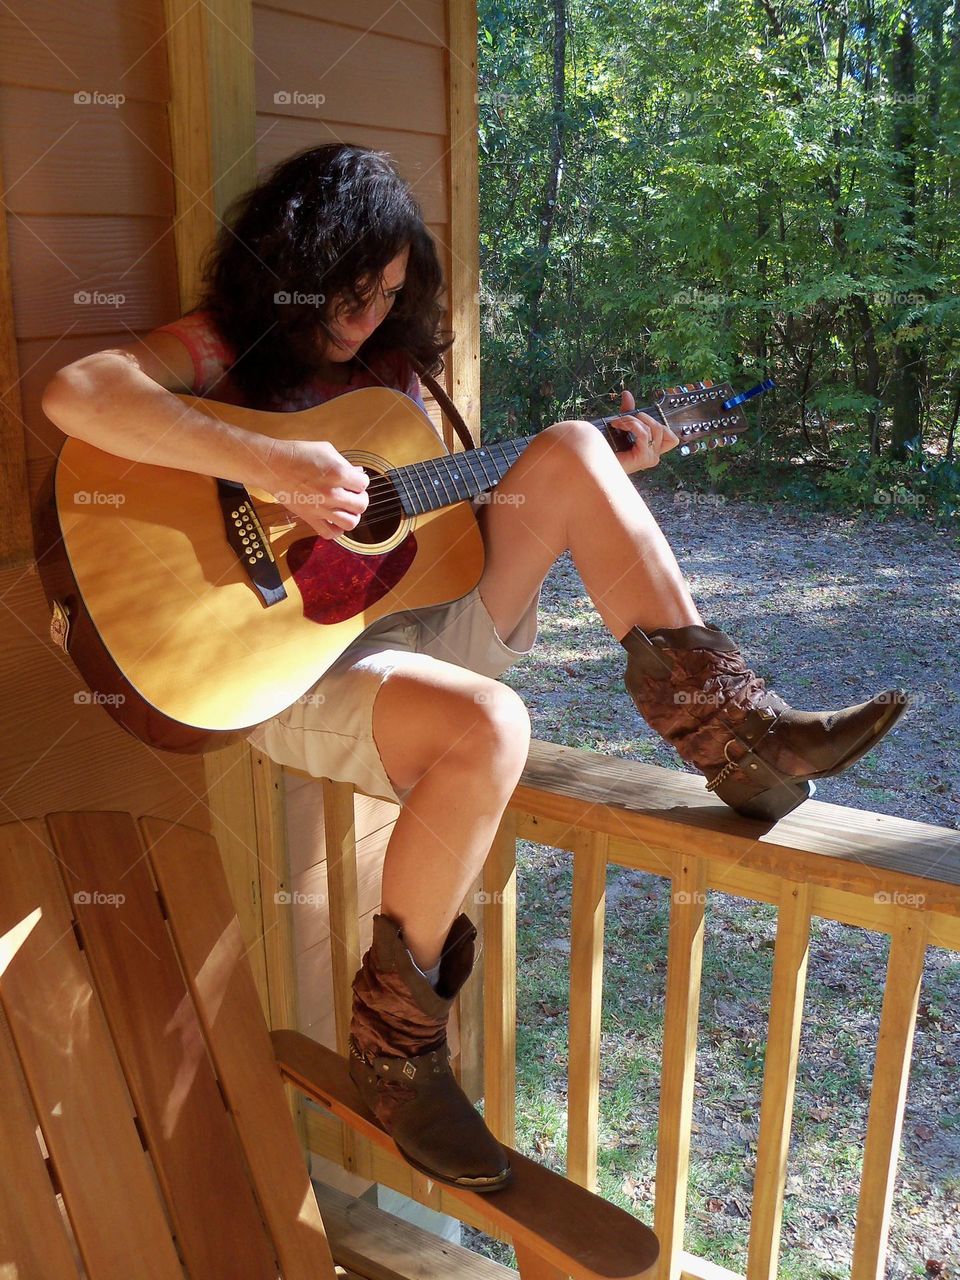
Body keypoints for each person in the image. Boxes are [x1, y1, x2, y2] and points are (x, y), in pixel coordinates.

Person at [41, 143, 907, 1194]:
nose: (366, 319)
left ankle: (744, 735)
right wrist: (274, 464)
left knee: (572, 449)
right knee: (491, 724)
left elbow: (444, 525)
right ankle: (397, 1051)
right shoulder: (226, 340)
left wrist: (598, 465)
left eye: (391, 296)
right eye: (351, 294)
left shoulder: (397, 381)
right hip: (268, 661)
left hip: (411, 617)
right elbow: (80, 392)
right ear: (296, 262)